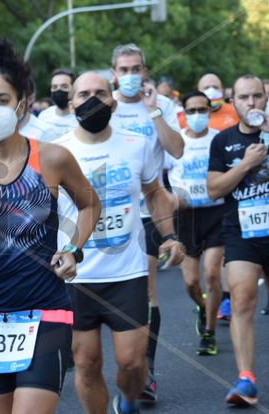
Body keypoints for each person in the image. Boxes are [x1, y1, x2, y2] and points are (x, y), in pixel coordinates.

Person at [0, 38, 100, 414]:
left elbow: (90, 204)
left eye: (2, 100)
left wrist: (74, 249)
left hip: (44, 310)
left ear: (21, 104)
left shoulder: (53, 157)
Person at [55, 71, 184, 414]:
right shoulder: (56, 152)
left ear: (112, 101)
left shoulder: (135, 144)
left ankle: (127, 401)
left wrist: (169, 235)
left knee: (131, 362)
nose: (92, 99)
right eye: (84, 94)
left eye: (100, 92)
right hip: (77, 276)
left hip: (127, 271)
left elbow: (155, 193)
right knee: (86, 363)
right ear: (72, 104)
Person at [108, 43, 184, 404]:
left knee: (147, 293)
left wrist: (154, 112)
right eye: (123, 70)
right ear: (113, 74)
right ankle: (125, 364)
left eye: (135, 69)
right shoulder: (104, 106)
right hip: (111, 212)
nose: (130, 76)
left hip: (151, 210)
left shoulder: (163, 106)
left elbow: (178, 150)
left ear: (145, 70)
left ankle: (145, 370)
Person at [206, 74, 269, 407]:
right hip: (241, 232)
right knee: (243, 299)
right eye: (244, 97)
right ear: (233, 102)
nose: (252, 103)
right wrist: (246, 163)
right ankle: (246, 378)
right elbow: (214, 188)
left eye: (257, 96)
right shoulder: (223, 141)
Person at [166, 91, 225, 356]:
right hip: (186, 217)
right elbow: (157, 177)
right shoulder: (176, 143)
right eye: (192, 110)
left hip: (216, 214)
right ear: (184, 113)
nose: (197, 115)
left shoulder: (218, 140)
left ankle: (210, 333)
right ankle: (202, 306)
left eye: (202, 109)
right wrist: (169, 199)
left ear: (210, 111)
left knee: (212, 274)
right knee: (191, 282)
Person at [38, 68, 77, 136]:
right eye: (54, 87)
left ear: (74, 89)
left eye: (64, 86)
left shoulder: (81, 119)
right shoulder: (43, 116)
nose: (58, 89)